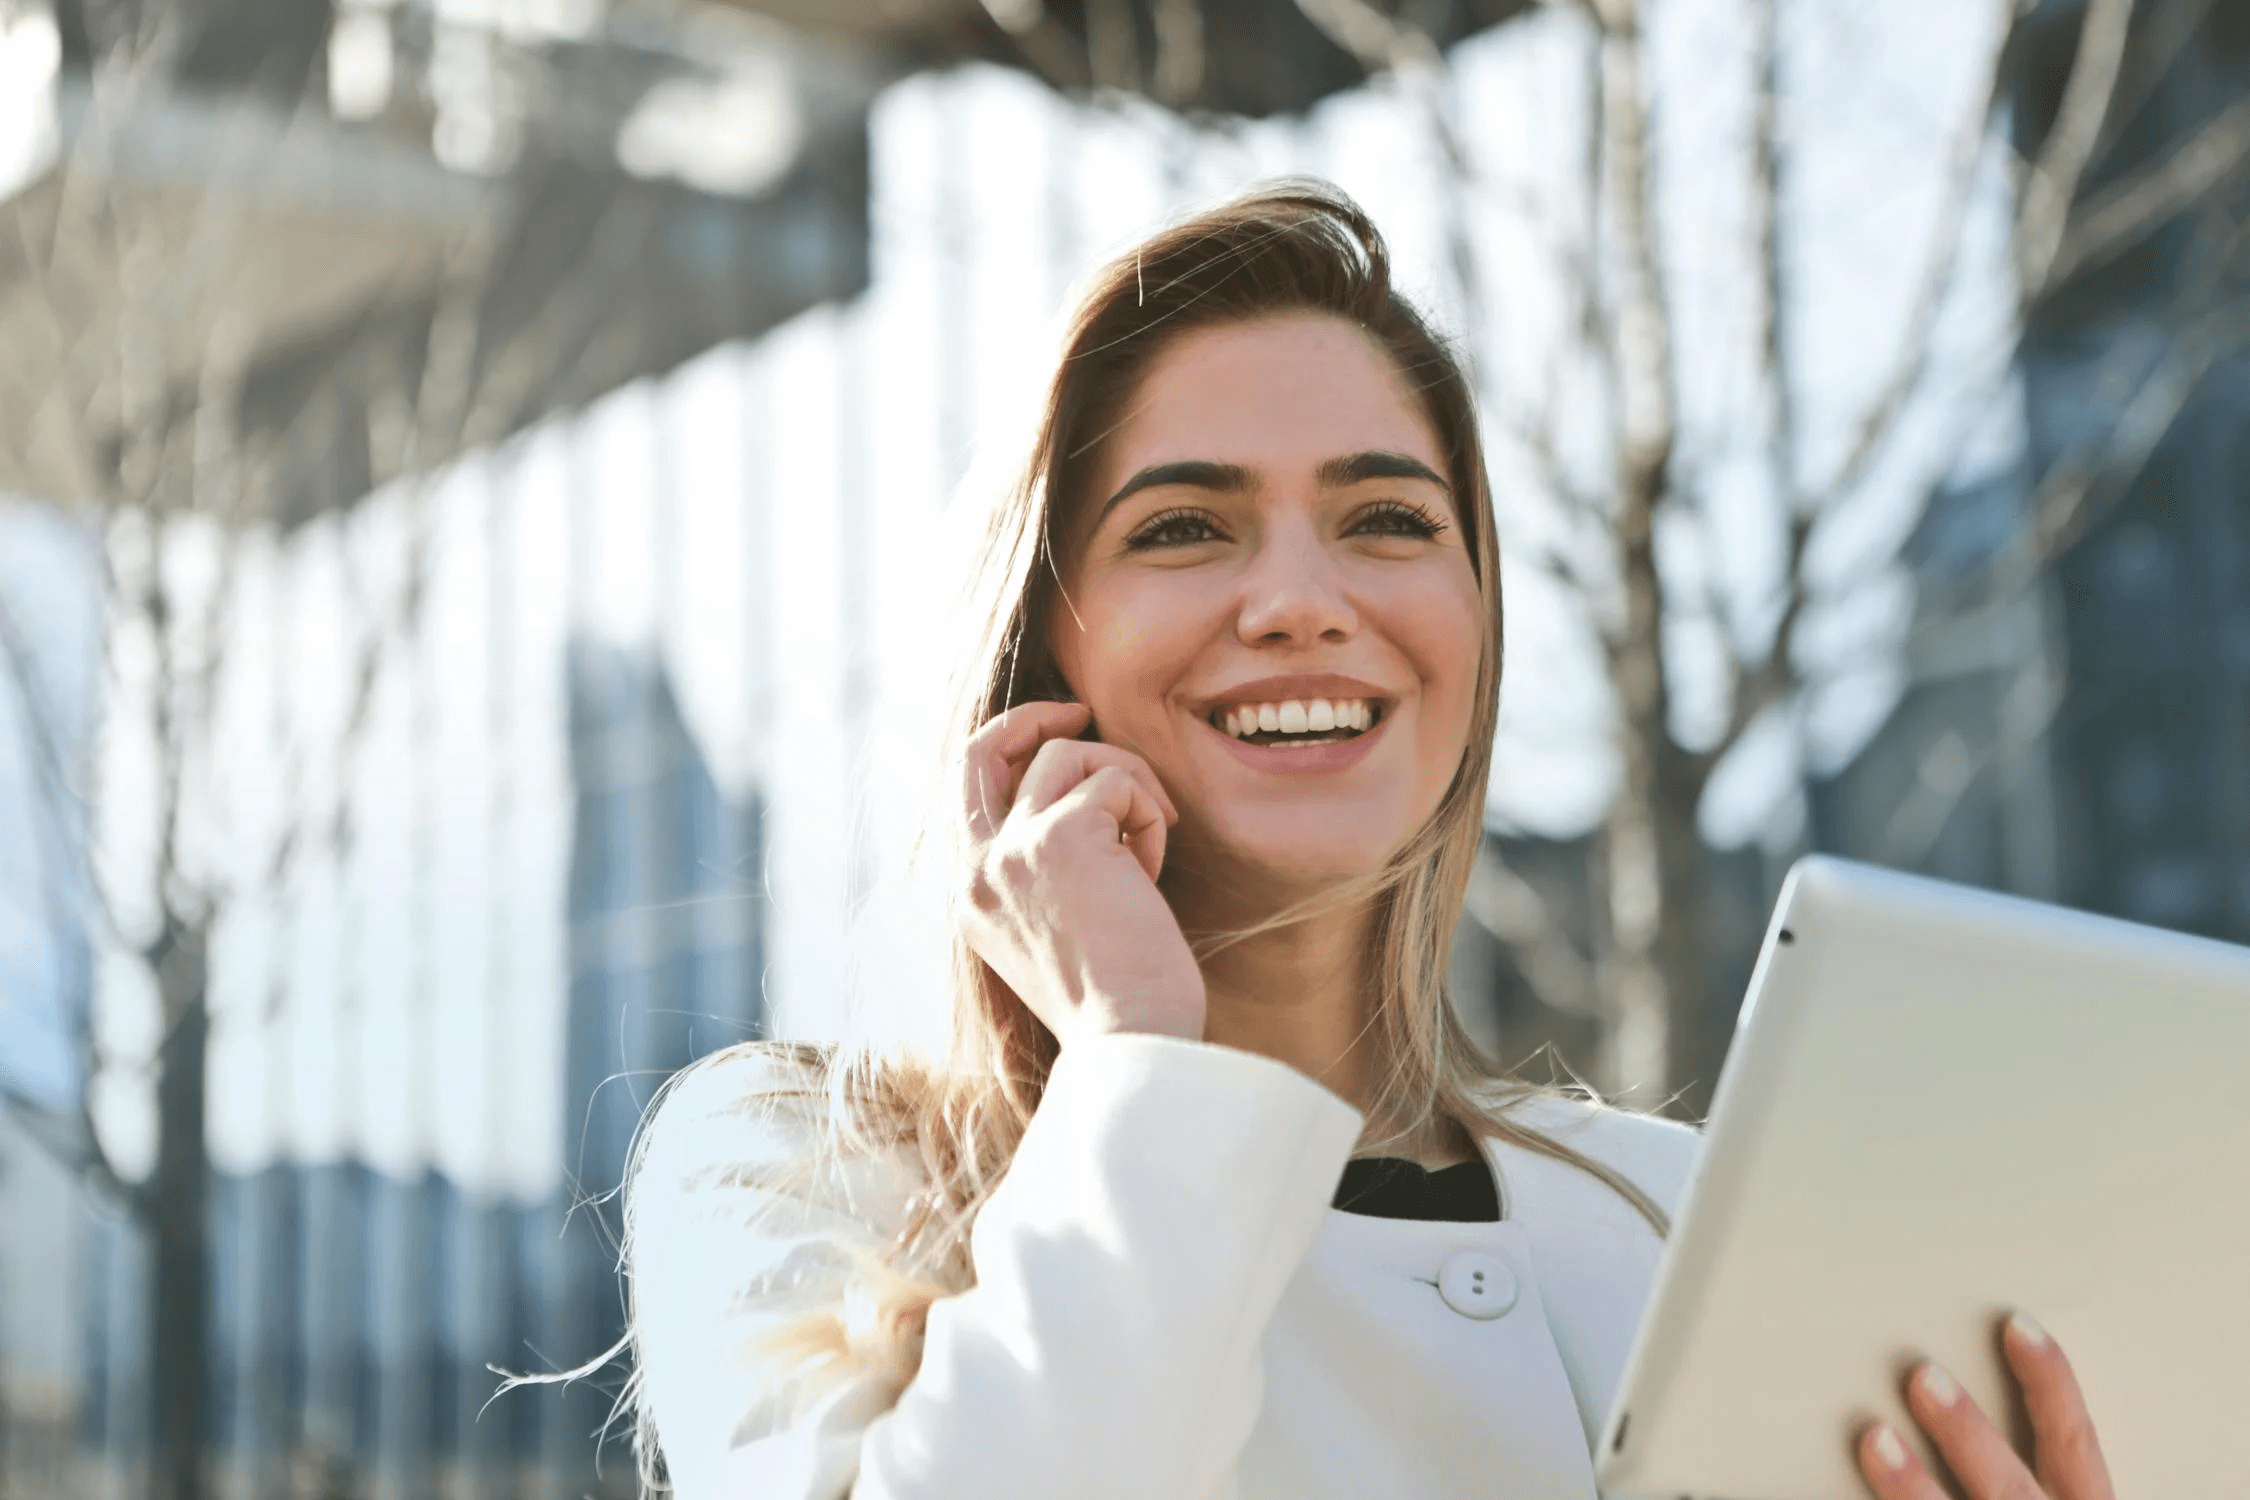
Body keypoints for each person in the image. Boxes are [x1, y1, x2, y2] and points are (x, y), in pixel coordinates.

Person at [621, 183, 2114, 1500]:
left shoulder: (1681, 1215)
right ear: (1035, 649)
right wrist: (1141, 1056)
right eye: (1183, 528)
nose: (1300, 599)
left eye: (1389, 520)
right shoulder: (788, 1171)